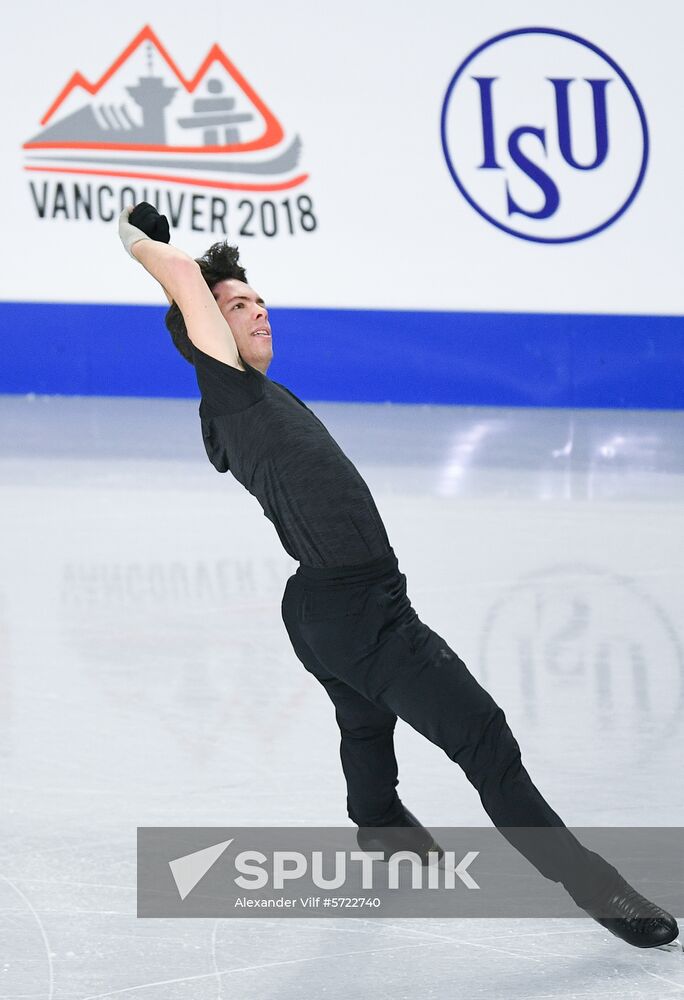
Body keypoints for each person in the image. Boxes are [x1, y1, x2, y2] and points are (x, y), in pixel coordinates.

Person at [118, 203, 679, 950]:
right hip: (362, 615)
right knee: (484, 740)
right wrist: (140, 238)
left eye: (259, 301)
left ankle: (380, 826)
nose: (259, 313)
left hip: (320, 611)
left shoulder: (241, 401)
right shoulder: (228, 388)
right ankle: (595, 885)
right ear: (202, 331)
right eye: (236, 307)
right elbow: (184, 276)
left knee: (364, 721)